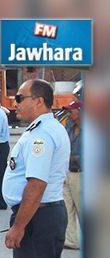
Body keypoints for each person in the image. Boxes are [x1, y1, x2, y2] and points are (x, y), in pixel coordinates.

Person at [3, 79, 70, 258]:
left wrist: (19, 226)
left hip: (36, 219)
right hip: (45, 215)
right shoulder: (49, 128)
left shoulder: (41, 134)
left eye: (20, 98)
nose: (15, 102)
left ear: (39, 101)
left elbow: (36, 184)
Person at [62, 100, 82, 250]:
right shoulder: (69, 127)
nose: (69, 113)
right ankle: (71, 240)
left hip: (82, 174)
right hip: (68, 172)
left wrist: (75, 158)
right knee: (67, 207)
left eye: (71, 111)